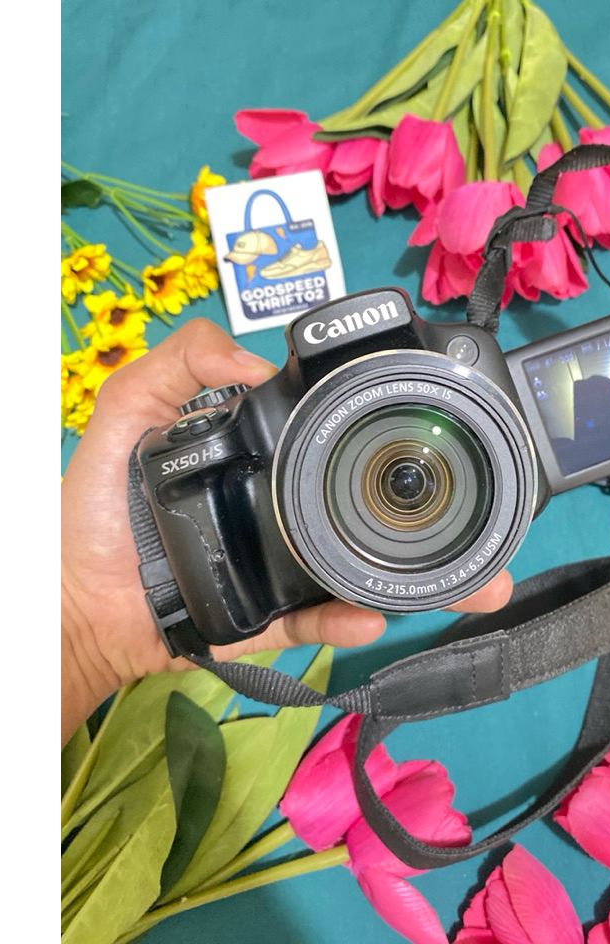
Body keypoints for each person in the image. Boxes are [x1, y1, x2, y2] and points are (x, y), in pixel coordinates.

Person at [61, 319, 513, 744]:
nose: (406, 483)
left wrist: (87, 639)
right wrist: (82, 618)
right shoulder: (253, 422)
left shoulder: (466, 391)